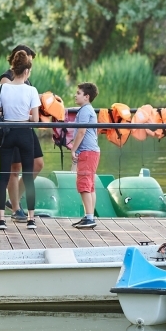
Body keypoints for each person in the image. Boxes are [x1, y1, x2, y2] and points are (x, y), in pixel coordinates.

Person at [0, 49, 41, 230]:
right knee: (27, 176)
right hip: (25, 133)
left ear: (13, 69)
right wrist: (26, 117)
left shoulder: (2, 88)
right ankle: (30, 219)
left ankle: (1, 219)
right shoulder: (31, 90)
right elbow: (35, 119)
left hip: (7, 133)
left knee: (4, 176)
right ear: (27, 71)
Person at [70, 83, 100, 229]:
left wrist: (73, 149)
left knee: (84, 185)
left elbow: (81, 132)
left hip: (87, 152)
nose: (75, 95)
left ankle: (89, 218)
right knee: (90, 186)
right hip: (93, 152)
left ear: (86, 97)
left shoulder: (84, 110)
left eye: (78, 93)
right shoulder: (89, 110)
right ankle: (89, 216)